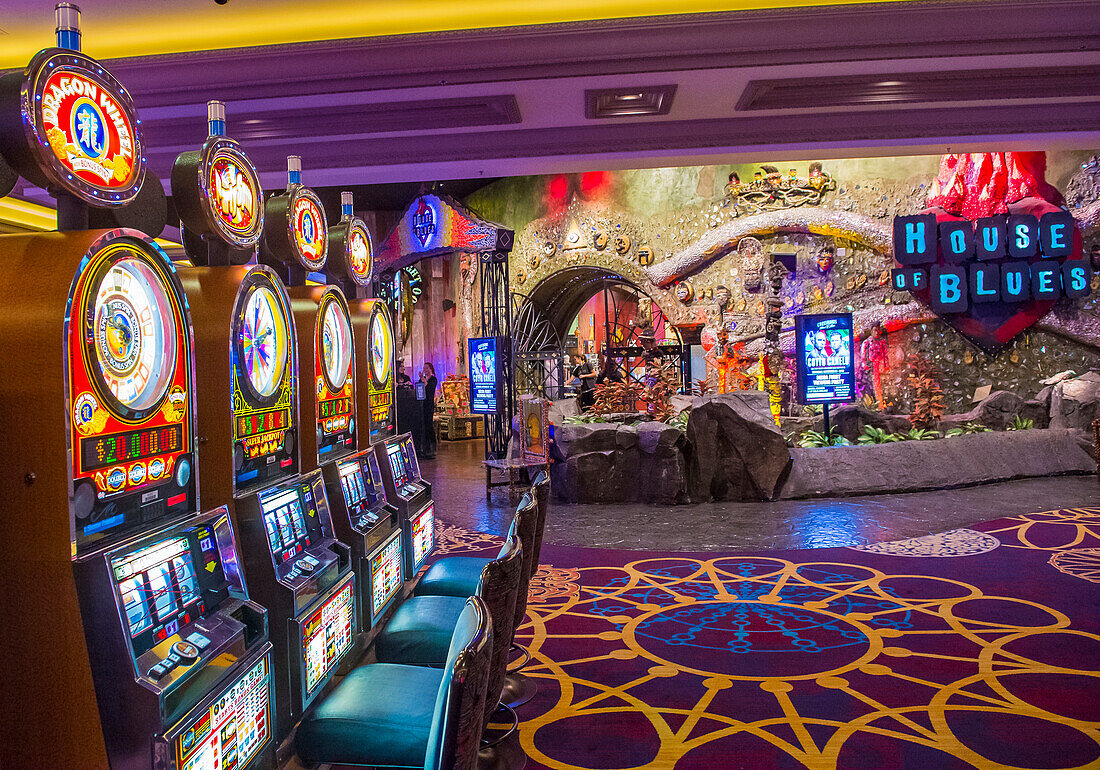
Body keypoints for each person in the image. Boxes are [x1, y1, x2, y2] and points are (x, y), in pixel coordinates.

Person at [420, 362, 438, 458]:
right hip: (422, 404)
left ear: (431, 369)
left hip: (429, 404)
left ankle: (432, 446)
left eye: (427, 368)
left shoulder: (433, 379)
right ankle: (425, 448)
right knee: (423, 426)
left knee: (429, 425)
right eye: (424, 368)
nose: (425, 370)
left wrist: (423, 380)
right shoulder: (422, 379)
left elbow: (429, 388)